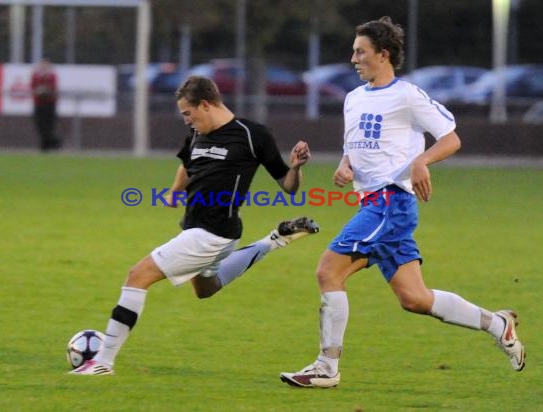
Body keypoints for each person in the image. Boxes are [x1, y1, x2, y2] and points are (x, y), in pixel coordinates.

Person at [280, 16, 525, 388]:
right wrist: (346, 167)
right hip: (371, 205)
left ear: (384, 54)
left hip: (390, 204)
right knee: (415, 298)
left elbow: (451, 138)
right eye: (353, 51)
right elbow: (355, 148)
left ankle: (326, 368)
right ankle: (497, 323)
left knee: (328, 271)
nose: (353, 59)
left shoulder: (407, 95)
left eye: (360, 52)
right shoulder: (353, 98)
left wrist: (421, 161)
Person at [70, 75, 318, 375]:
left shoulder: (252, 134)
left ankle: (102, 363)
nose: (187, 120)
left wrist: (295, 168)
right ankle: (275, 239)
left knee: (138, 275)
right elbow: (187, 165)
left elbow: (288, 187)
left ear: (205, 104)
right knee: (206, 289)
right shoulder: (197, 135)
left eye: (188, 113)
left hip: (211, 233)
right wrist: (174, 192)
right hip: (208, 232)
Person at [31, 58, 61, 151]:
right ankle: (52, 144)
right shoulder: (35, 76)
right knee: (40, 125)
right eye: (42, 66)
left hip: (50, 104)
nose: (44, 68)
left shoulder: (52, 77)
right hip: (39, 104)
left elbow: (52, 89)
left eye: (46, 66)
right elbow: (34, 88)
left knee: (49, 126)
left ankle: (46, 147)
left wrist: (44, 90)